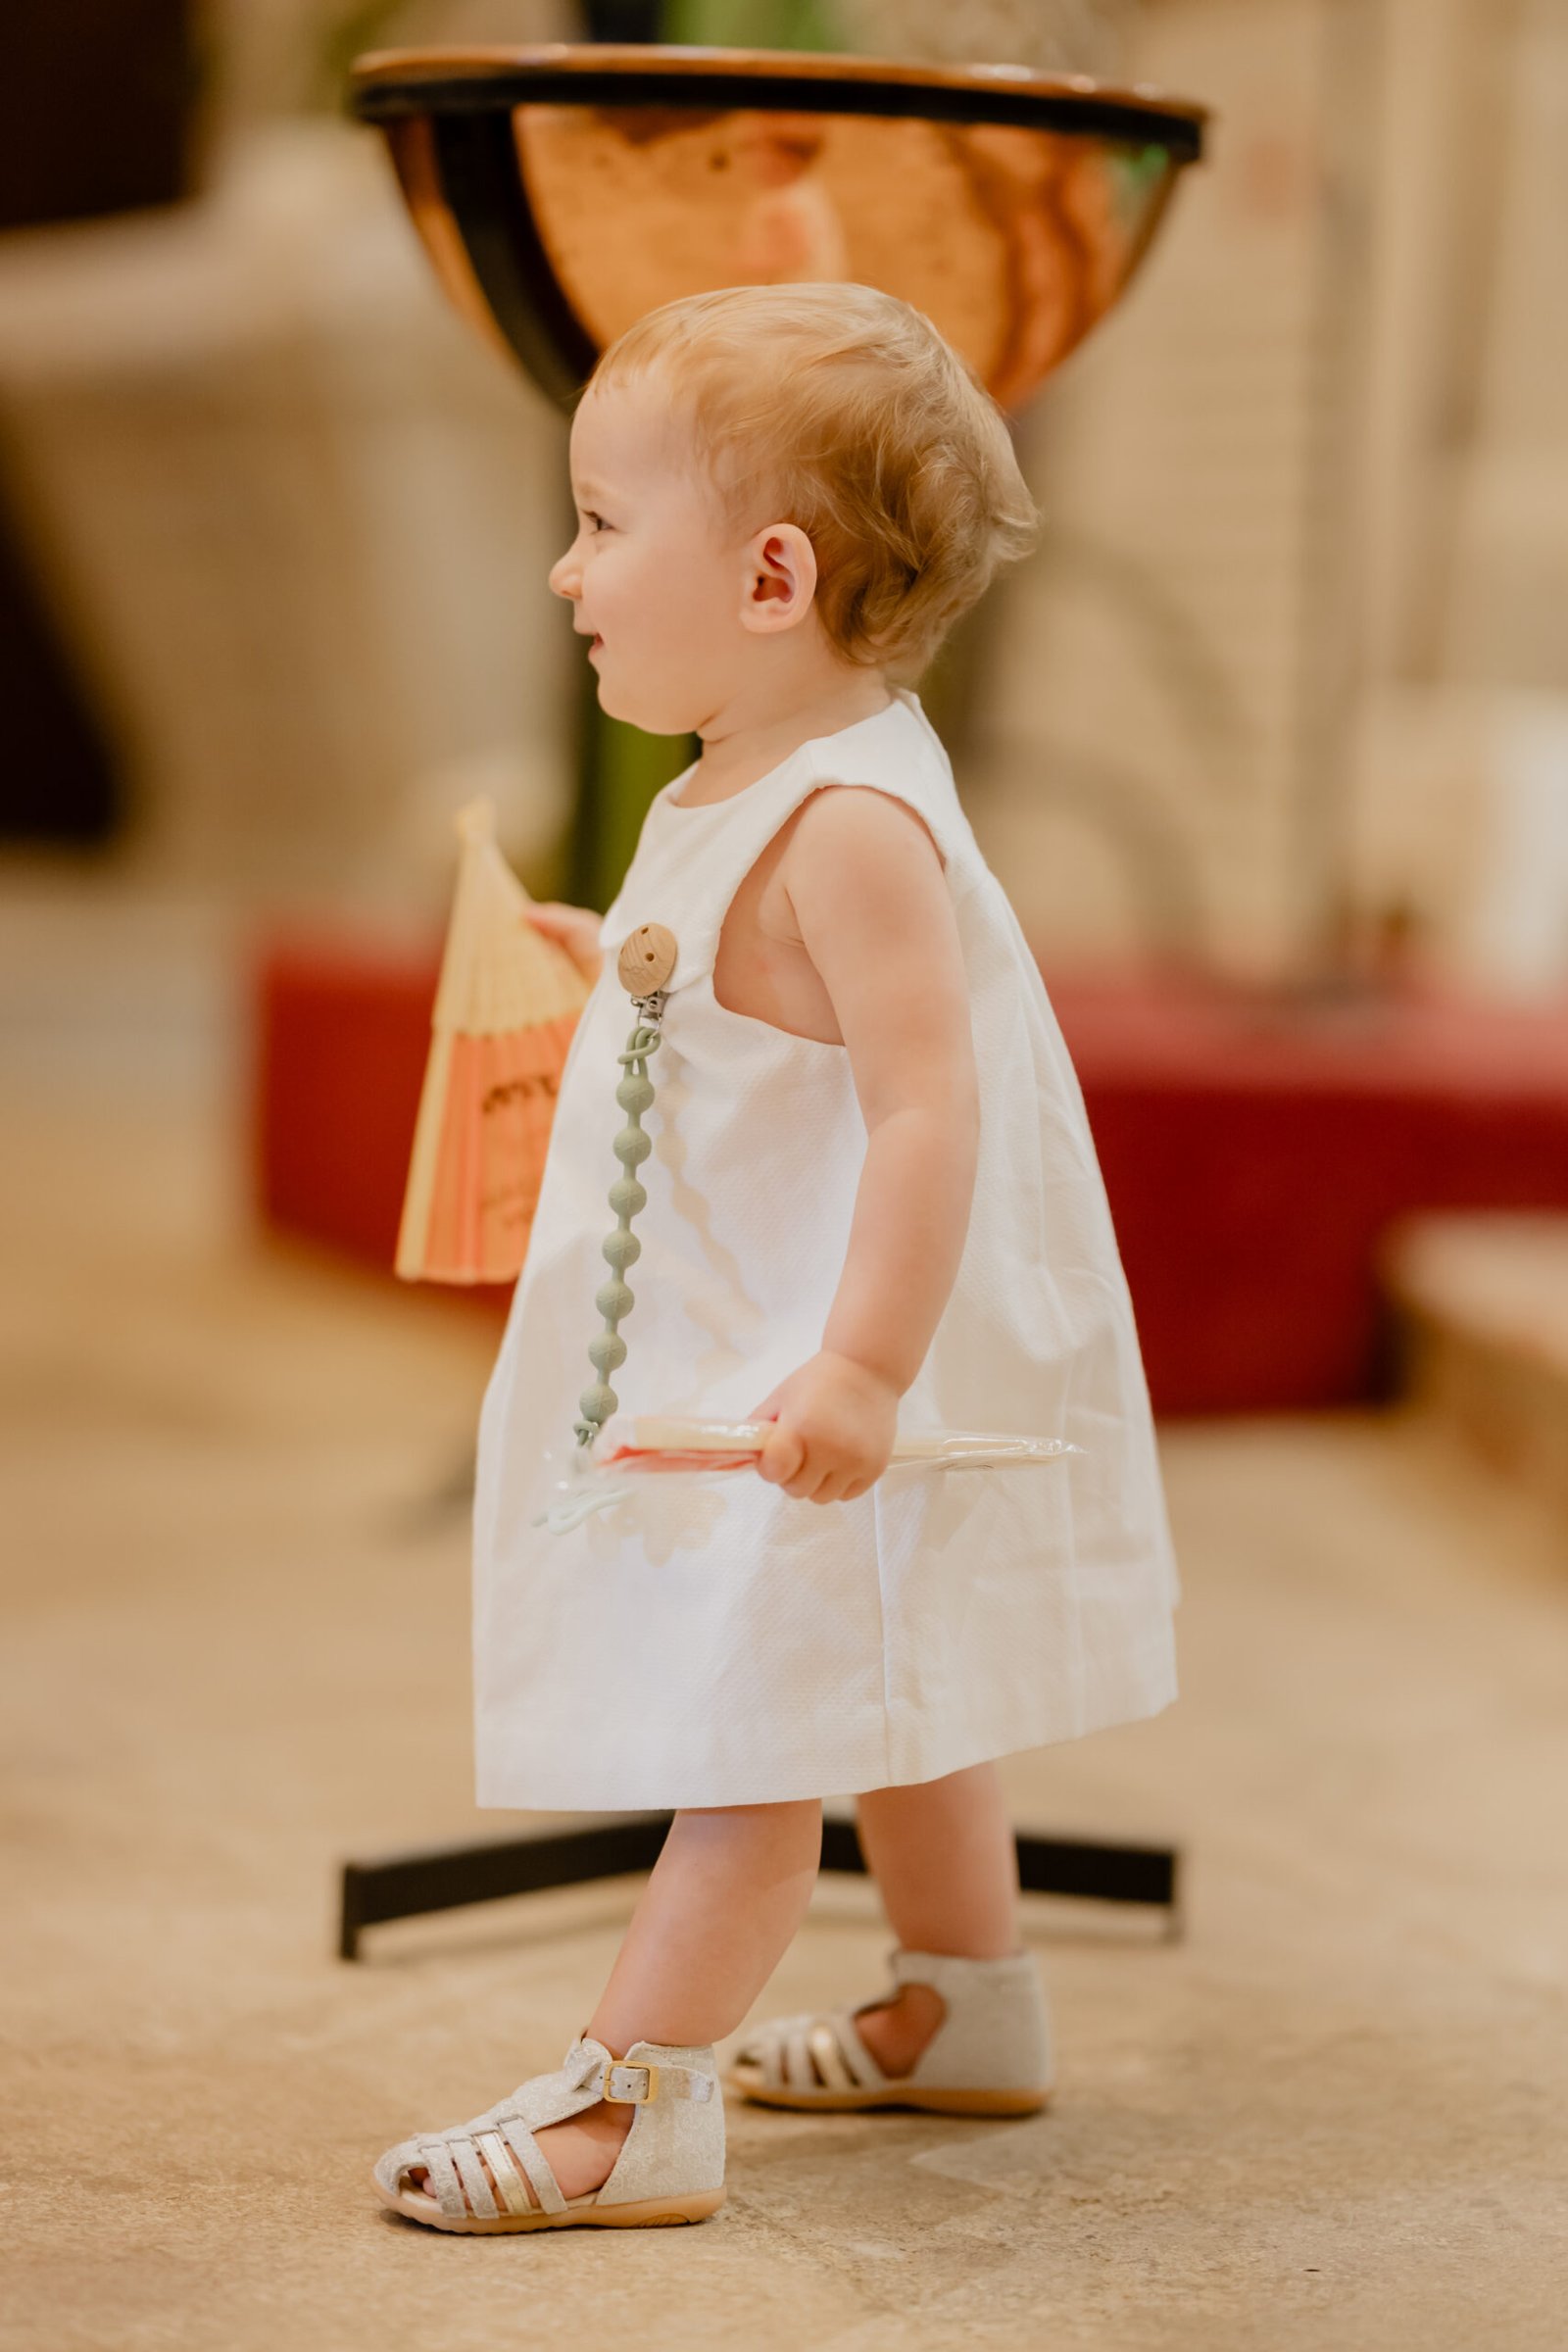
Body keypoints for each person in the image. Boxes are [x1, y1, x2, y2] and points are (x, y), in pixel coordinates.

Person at [372, 283, 1179, 2234]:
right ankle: (965, 2001)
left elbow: (926, 1108)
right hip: (771, 1331)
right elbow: (755, 1008)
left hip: (816, 1357)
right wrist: (614, 965)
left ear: (768, 577)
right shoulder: (748, 776)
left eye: (598, 521)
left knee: (746, 1729)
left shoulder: (850, 826)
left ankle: (631, 2104)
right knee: (886, 1683)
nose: (565, 569)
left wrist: (863, 1370)